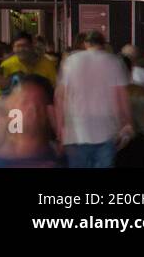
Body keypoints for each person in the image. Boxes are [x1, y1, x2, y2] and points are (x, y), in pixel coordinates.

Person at [55, 30, 130, 168]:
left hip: (75, 131)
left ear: (85, 43)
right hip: (106, 129)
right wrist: (126, 122)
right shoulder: (114, 62)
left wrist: (60, 129)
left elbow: (60, 97)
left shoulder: (70, 61)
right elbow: (121, 97)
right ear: (103, 44)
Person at [0, 76, 64, 168]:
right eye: (24, 102)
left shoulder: (61, 160)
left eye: (38, 104)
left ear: (49, 112)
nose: (31, 109)